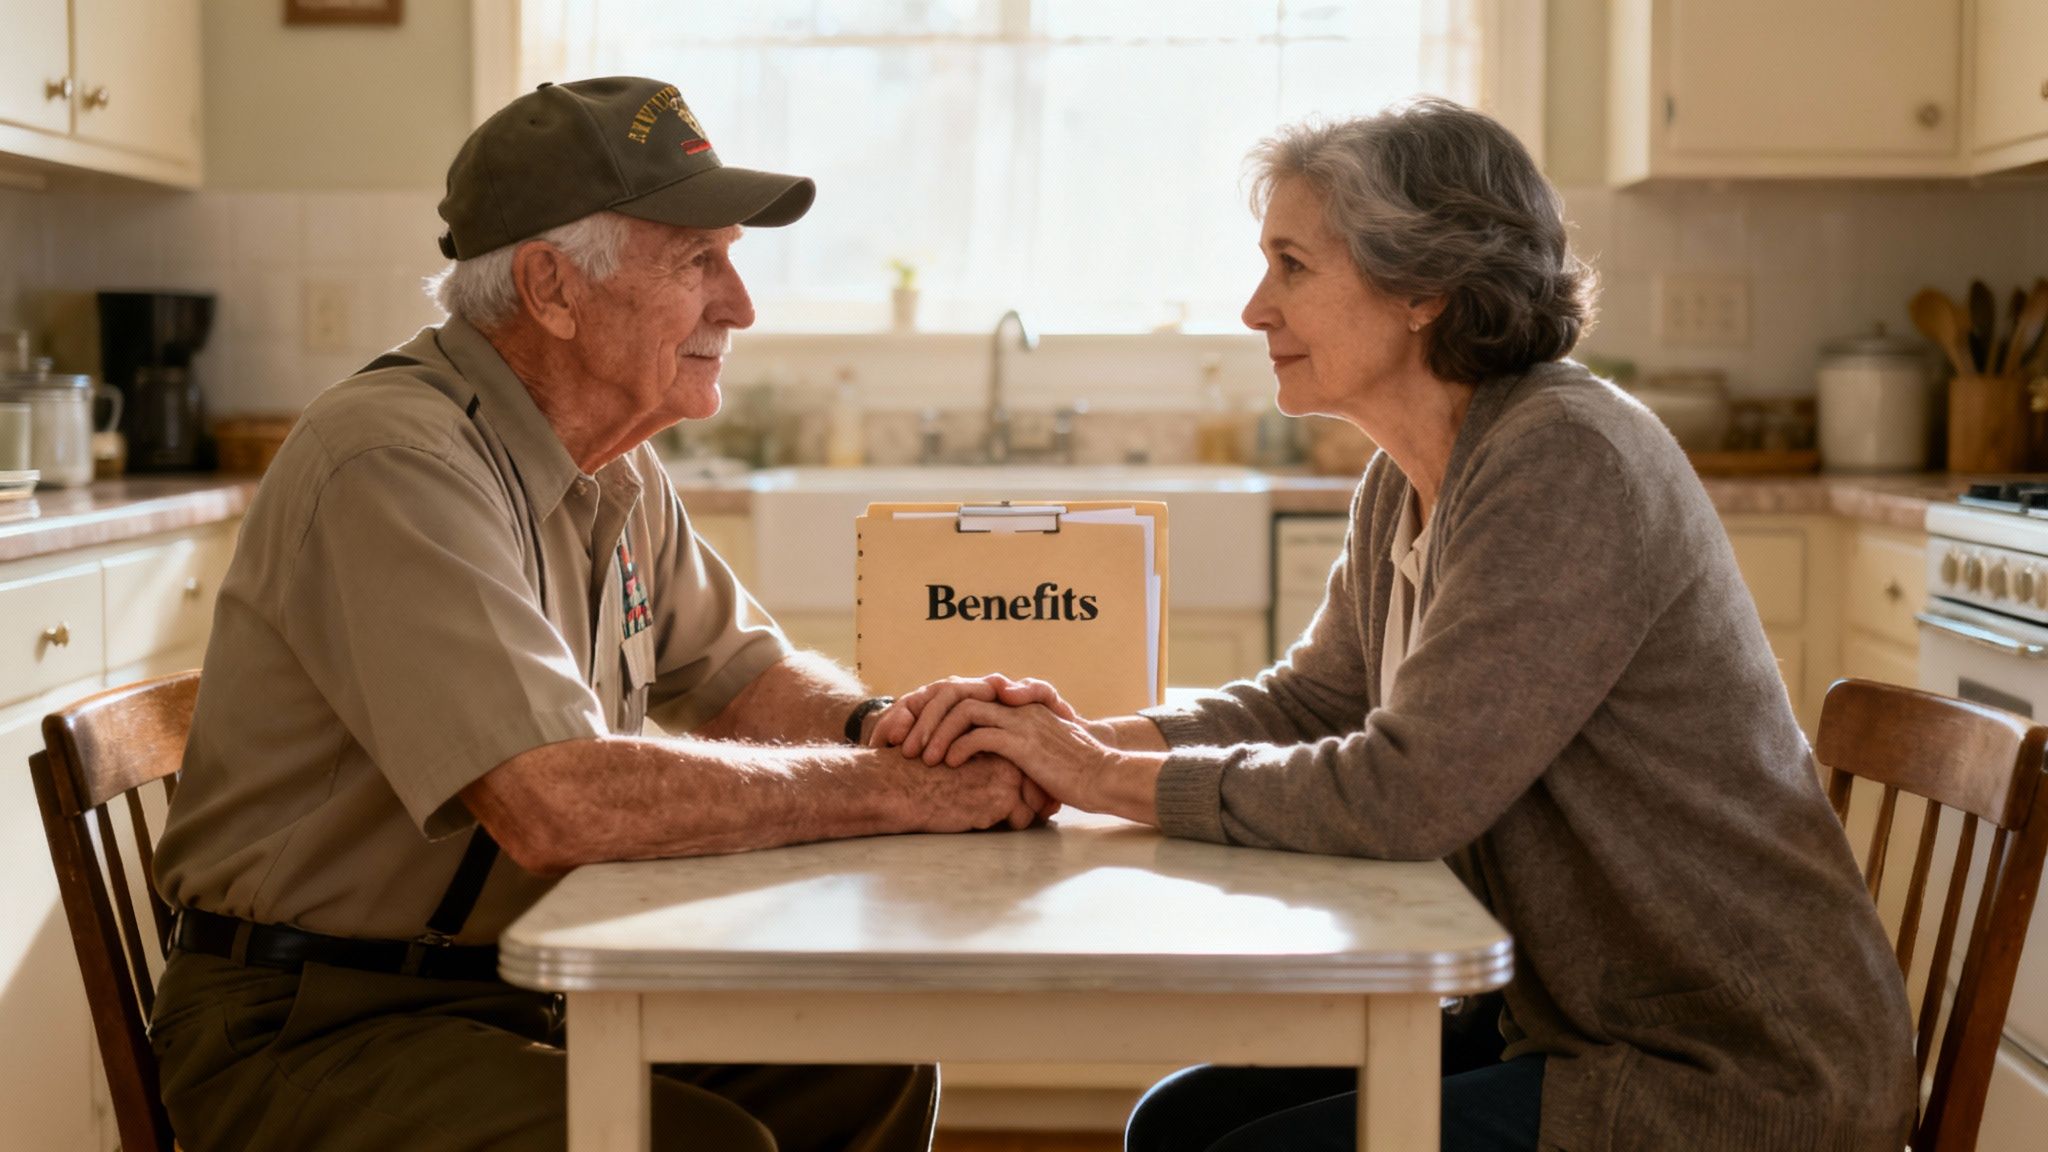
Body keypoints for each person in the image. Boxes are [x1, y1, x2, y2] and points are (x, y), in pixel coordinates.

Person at [871, 99, 1916, 1152]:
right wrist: (1075, 741)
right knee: (1179, 1128)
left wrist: (1092, 777)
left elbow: (1406, 794)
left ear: (1421, 286)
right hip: (1564, 1024)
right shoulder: (1410, 469)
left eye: (1290, 266)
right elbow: (1312, 700)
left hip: (1730, 1073)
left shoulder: (1564, 460)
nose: (1252, 308)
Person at [148, 76, 1052, 1152]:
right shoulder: (393, 462)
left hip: (517, 988)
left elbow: (742, 677)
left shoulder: (611, 461)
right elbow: (557, 805)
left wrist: (898, 729)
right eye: (695, 262)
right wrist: (906, 791)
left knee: (865, 1066)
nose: (741, 306)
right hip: (315, 1028)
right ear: (550, 287)